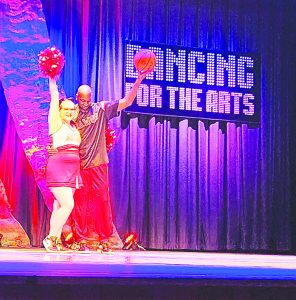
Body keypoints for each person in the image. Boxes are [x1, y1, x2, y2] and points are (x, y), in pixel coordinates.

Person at [64, 71, 148, 252]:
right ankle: (80, 240)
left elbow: (127, 101)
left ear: (91, 98)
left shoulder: (101, 109)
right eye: (82, 100)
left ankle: (104, 239)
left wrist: (139, 80)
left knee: (102, 201)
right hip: (79, 166)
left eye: (88, 100)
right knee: (80, 204)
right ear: (77, 97)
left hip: (99, 163)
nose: (85, 103)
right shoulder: (71, 113)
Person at [43, 77, 82, 252]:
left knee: (59, 206)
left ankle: (56, 240)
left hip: (73, 172)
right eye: (65, 108)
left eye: (72, 109)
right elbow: (53, 97)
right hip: (58, 169)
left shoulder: (74, 127)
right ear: (59, 110)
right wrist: (52, 80)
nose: (69, 111)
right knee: (68, 204)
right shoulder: (56, 123)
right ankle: (51, 238)